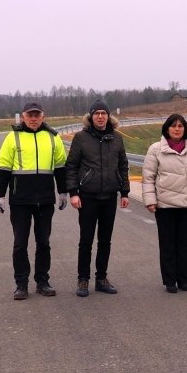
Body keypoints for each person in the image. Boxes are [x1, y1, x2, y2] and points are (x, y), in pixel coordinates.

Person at [0, 102, 68, 300]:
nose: (33, 118)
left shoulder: (53, 137)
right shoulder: (13, 137)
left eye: (37, 115)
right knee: (20, 244)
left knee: (43, 243)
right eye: (30, 115)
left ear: (43, 116)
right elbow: (3, 168)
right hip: (20, 201)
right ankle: (21, 284)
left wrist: (63, 192)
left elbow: (60, 166)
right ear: (23, 117)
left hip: (44, 200)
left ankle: (42, 282)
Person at [65, 99, 130, 297]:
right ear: (90, 117)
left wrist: (125, 192)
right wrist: (73, 193)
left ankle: (101, 278)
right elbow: (72, 167)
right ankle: (83, 279)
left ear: (108, 116)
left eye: (103, 113)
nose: (100, 117)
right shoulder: (81, 138)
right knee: (86, 240)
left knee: (105, 240)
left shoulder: (116, 139)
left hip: (109, 196)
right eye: (96, 113)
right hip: (88, 196)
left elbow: (123, 166)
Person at [141, 114, 187, 293]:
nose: (177, 129)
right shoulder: (156, 149)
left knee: (183, 242)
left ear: (185, 129)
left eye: (180, 126)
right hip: (165, 205)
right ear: (167, 129)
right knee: (167, 243)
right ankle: (170, 281)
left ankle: (184, 279)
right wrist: (150, 200)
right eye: (173, 126)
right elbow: (148, 177)